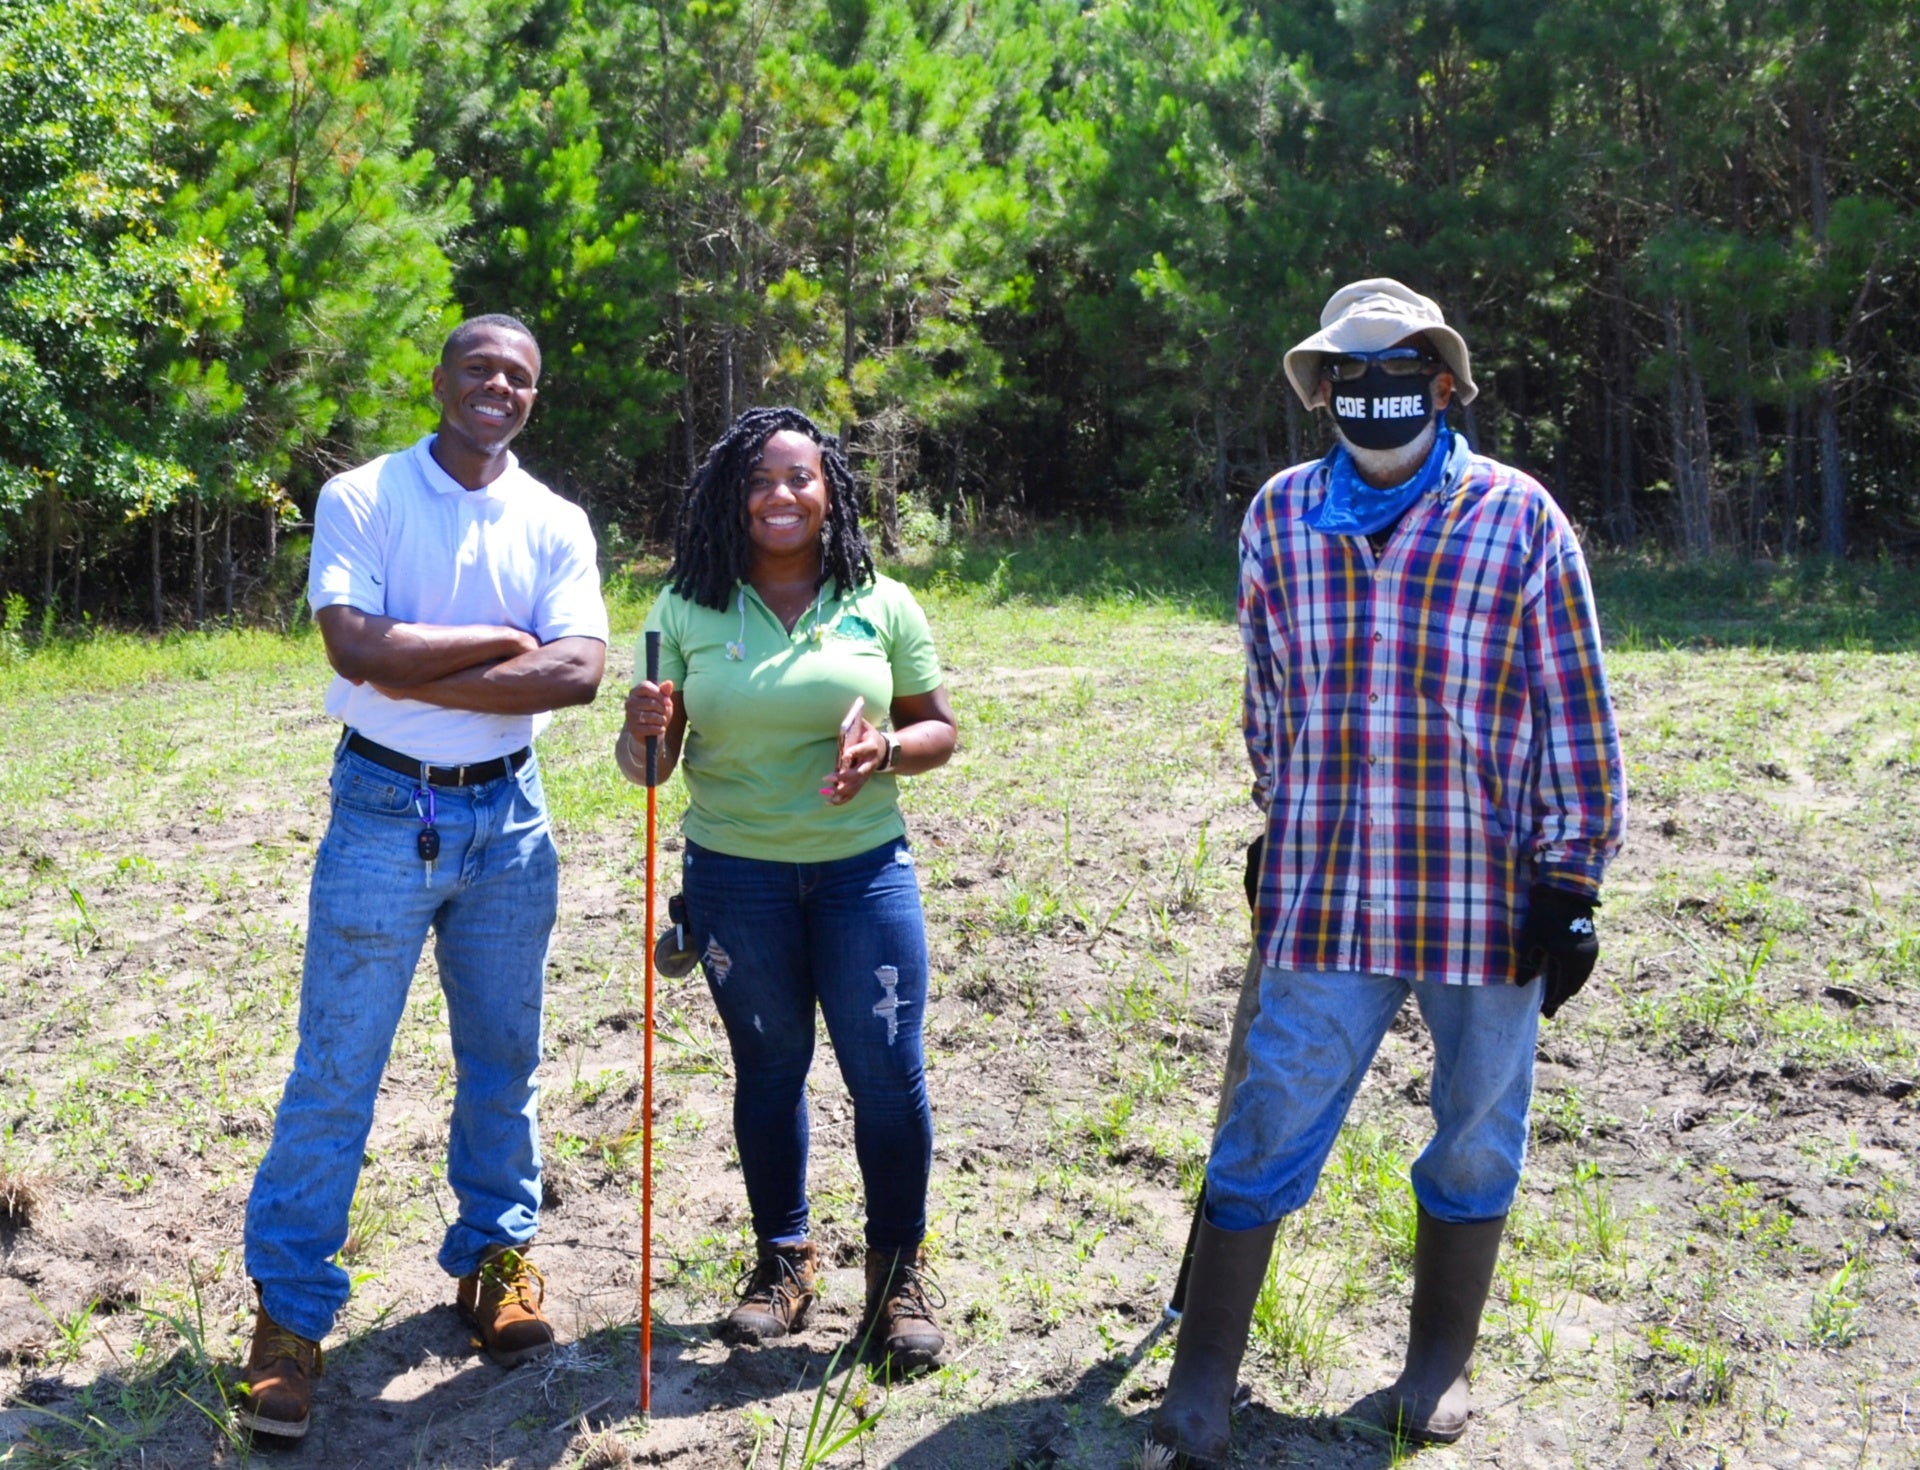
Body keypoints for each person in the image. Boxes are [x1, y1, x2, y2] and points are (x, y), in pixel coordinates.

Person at [1152, 279, 1626, 1466]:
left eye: (1398, 373)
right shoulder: (1276, 519)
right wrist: (1276, 818)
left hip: (1489, 897)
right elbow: (1267, 691)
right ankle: (1200, 1381)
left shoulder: (1519, 519)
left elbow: (1574, 704)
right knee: (1263, 1129)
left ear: (1446, 383)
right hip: (1326, 887)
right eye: (1348, 377)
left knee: (1475, 1133)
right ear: (1321, 393)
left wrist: (1572, 883)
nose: (1373, 396)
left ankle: (1433, 1378)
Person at [238, 314, 608, 1439]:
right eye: (480, 366)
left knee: (504, 1055)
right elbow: (354, 648)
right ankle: (291, 1322)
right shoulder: (363, 497)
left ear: (533, 398)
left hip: (512, 818)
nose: (499, 385)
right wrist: (501, 639)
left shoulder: (555, 519)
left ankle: (493, 1266)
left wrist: (424, 652)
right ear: (440, 377)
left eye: (520, 375)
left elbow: (582, 671)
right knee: (337, 1068)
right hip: (381, 808)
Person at [618, 405, 957, 1372]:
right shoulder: (685, 607)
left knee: (888, 1078)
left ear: (829, 492)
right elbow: (650, 769)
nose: (780, 495)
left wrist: (886, 747)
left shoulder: (881, 601)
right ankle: (782, 1264)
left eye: (800, 478)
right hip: (734, 878)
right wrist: (642, 728)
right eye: (760, 480)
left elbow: (939, 729)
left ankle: (896, 1282)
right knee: (768, 1073)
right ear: (733, 495)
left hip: (864, 875)